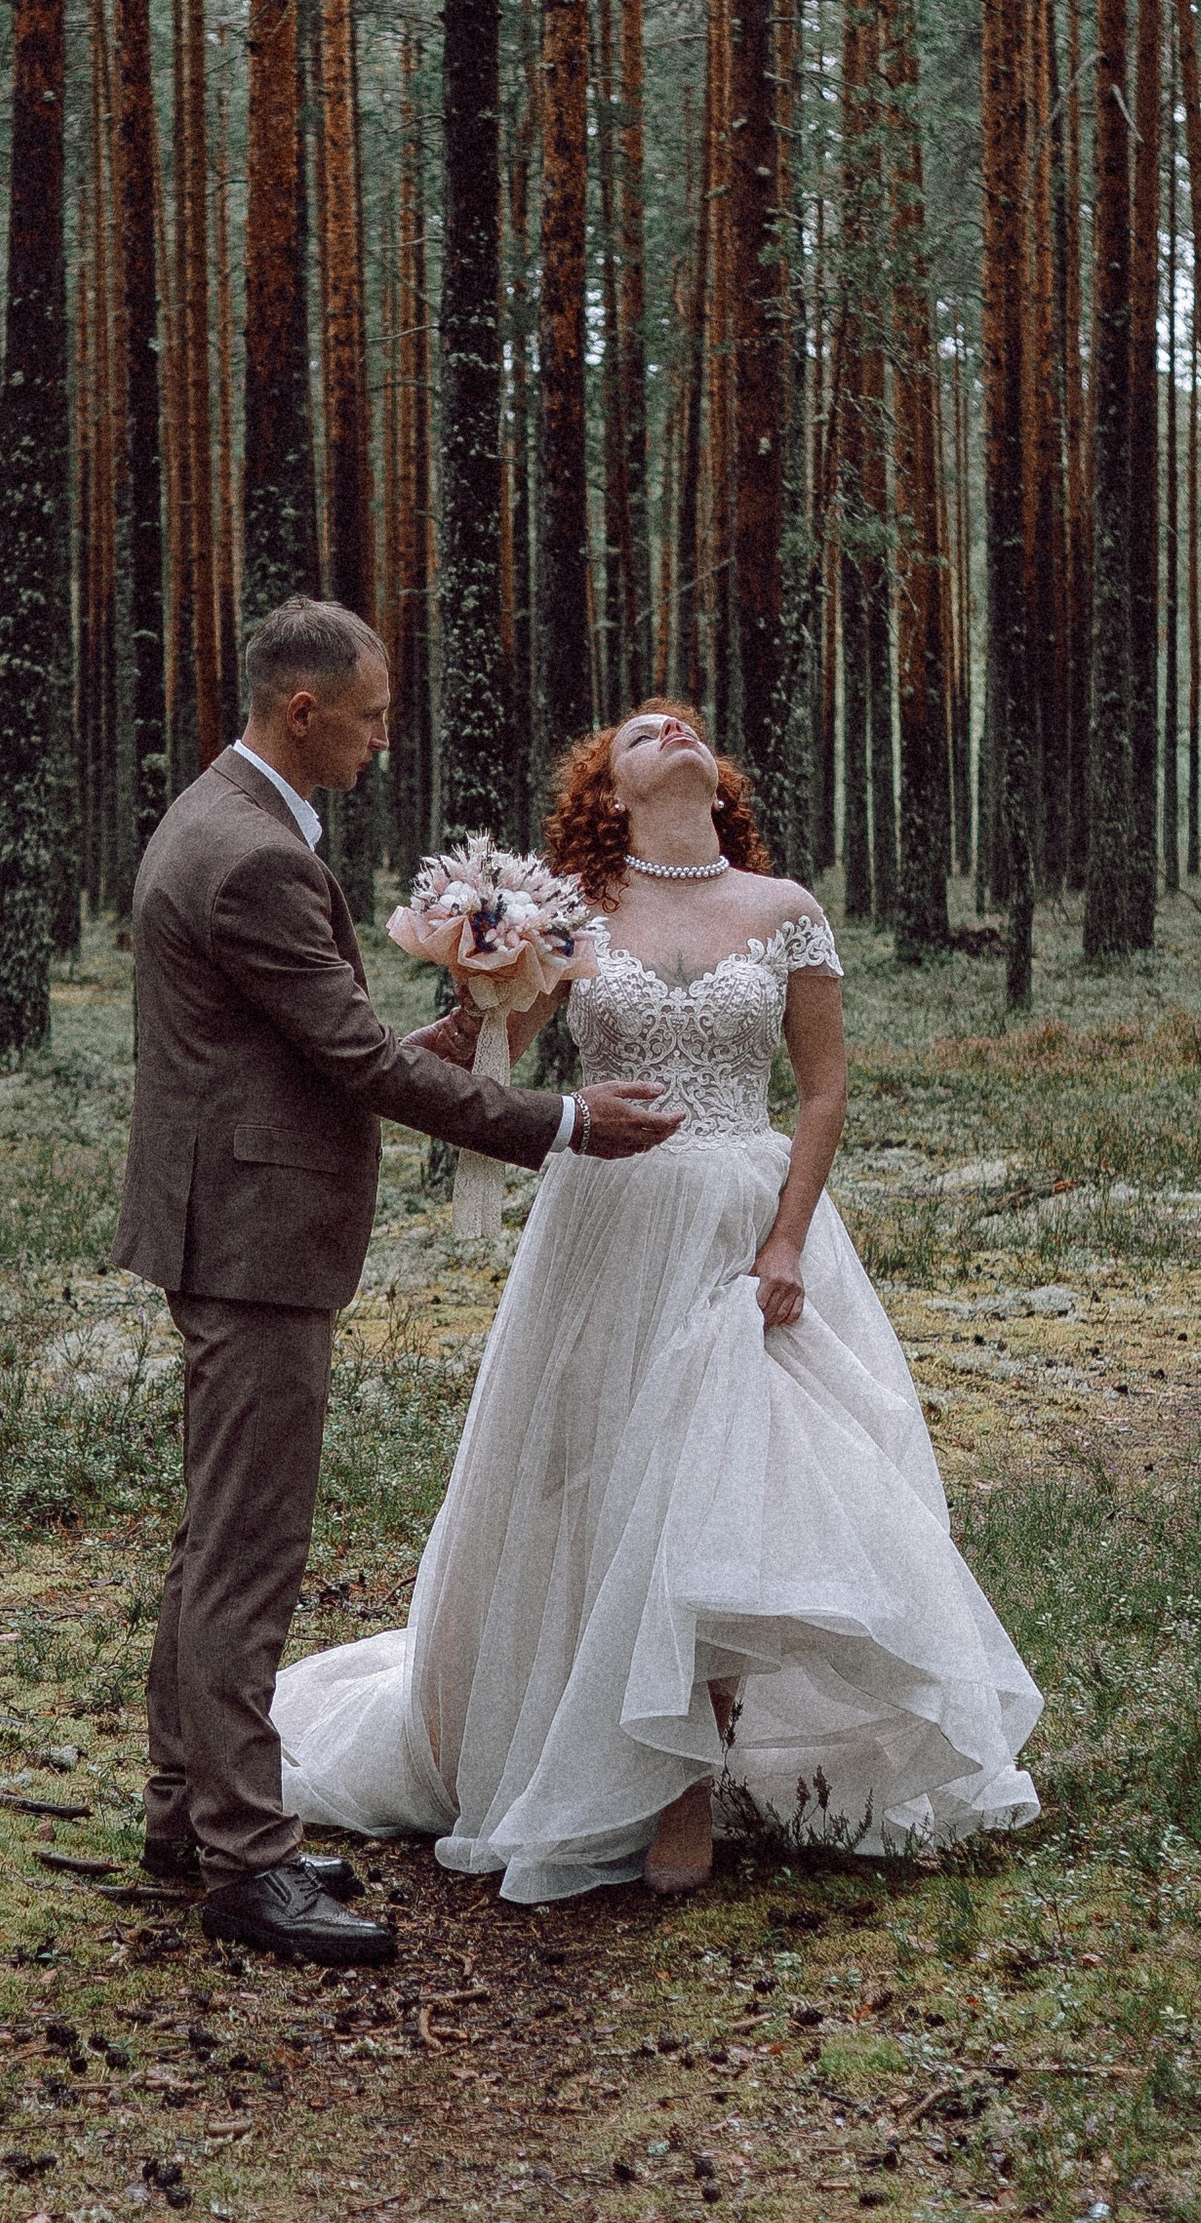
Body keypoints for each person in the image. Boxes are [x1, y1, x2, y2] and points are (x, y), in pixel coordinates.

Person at [272, 700, 1042, 1904]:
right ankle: (610, 1752)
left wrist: (786, 1239)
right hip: (609, 1217)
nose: (671, 728)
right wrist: (479, 977)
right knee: (605, 1471)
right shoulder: (571, 910)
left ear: (717, 778)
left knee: (737, 1485)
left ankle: (693, 1773)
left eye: (687, 723)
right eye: (642, 729)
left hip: (745, 1218)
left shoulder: (786, 914)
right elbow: (501, 1052)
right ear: (611, 789)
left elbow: (826, 1089)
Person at [115, 600, 681, 1967]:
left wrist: (452, 1032)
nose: (381, 741)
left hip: (232, 1223)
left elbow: (322, 1041)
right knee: (246, 1551)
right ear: (300, 709)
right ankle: (247, 1864)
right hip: (251, 1241)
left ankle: (188, 1813)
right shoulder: (249, 854)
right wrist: (558, 1123)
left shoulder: (225, 821)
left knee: (217, 1537)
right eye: (367, 716)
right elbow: (355, 1070)